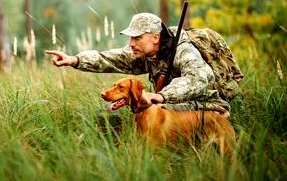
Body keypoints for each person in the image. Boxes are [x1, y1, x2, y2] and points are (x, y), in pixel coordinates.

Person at [45, 13, 231, 117]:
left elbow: (198, 79)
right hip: (173, 103)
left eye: (137, 37)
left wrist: (161, 96)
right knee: (136, 114)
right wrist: (74, 60)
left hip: (209, 104)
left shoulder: (183, 50)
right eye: (131, 38)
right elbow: (109, 58)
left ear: (156, 37)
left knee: (154, 112)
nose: (132, 43)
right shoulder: (143, 51)